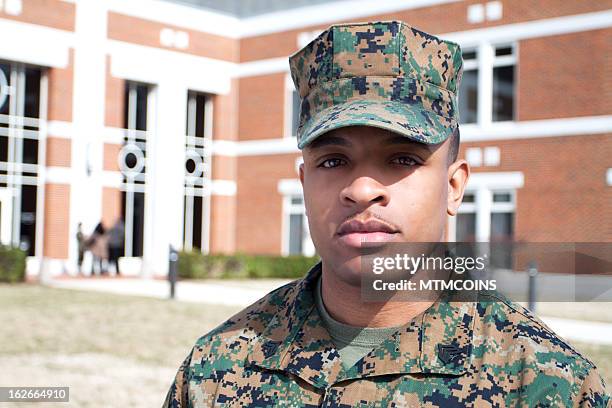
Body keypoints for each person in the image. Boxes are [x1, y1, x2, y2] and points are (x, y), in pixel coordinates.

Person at [163, 21, 609, 407]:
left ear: (453, 188)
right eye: (333, 161)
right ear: (304, 184)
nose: (360, 190)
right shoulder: (216, 369)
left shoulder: (547, 385)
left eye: (402, 159)